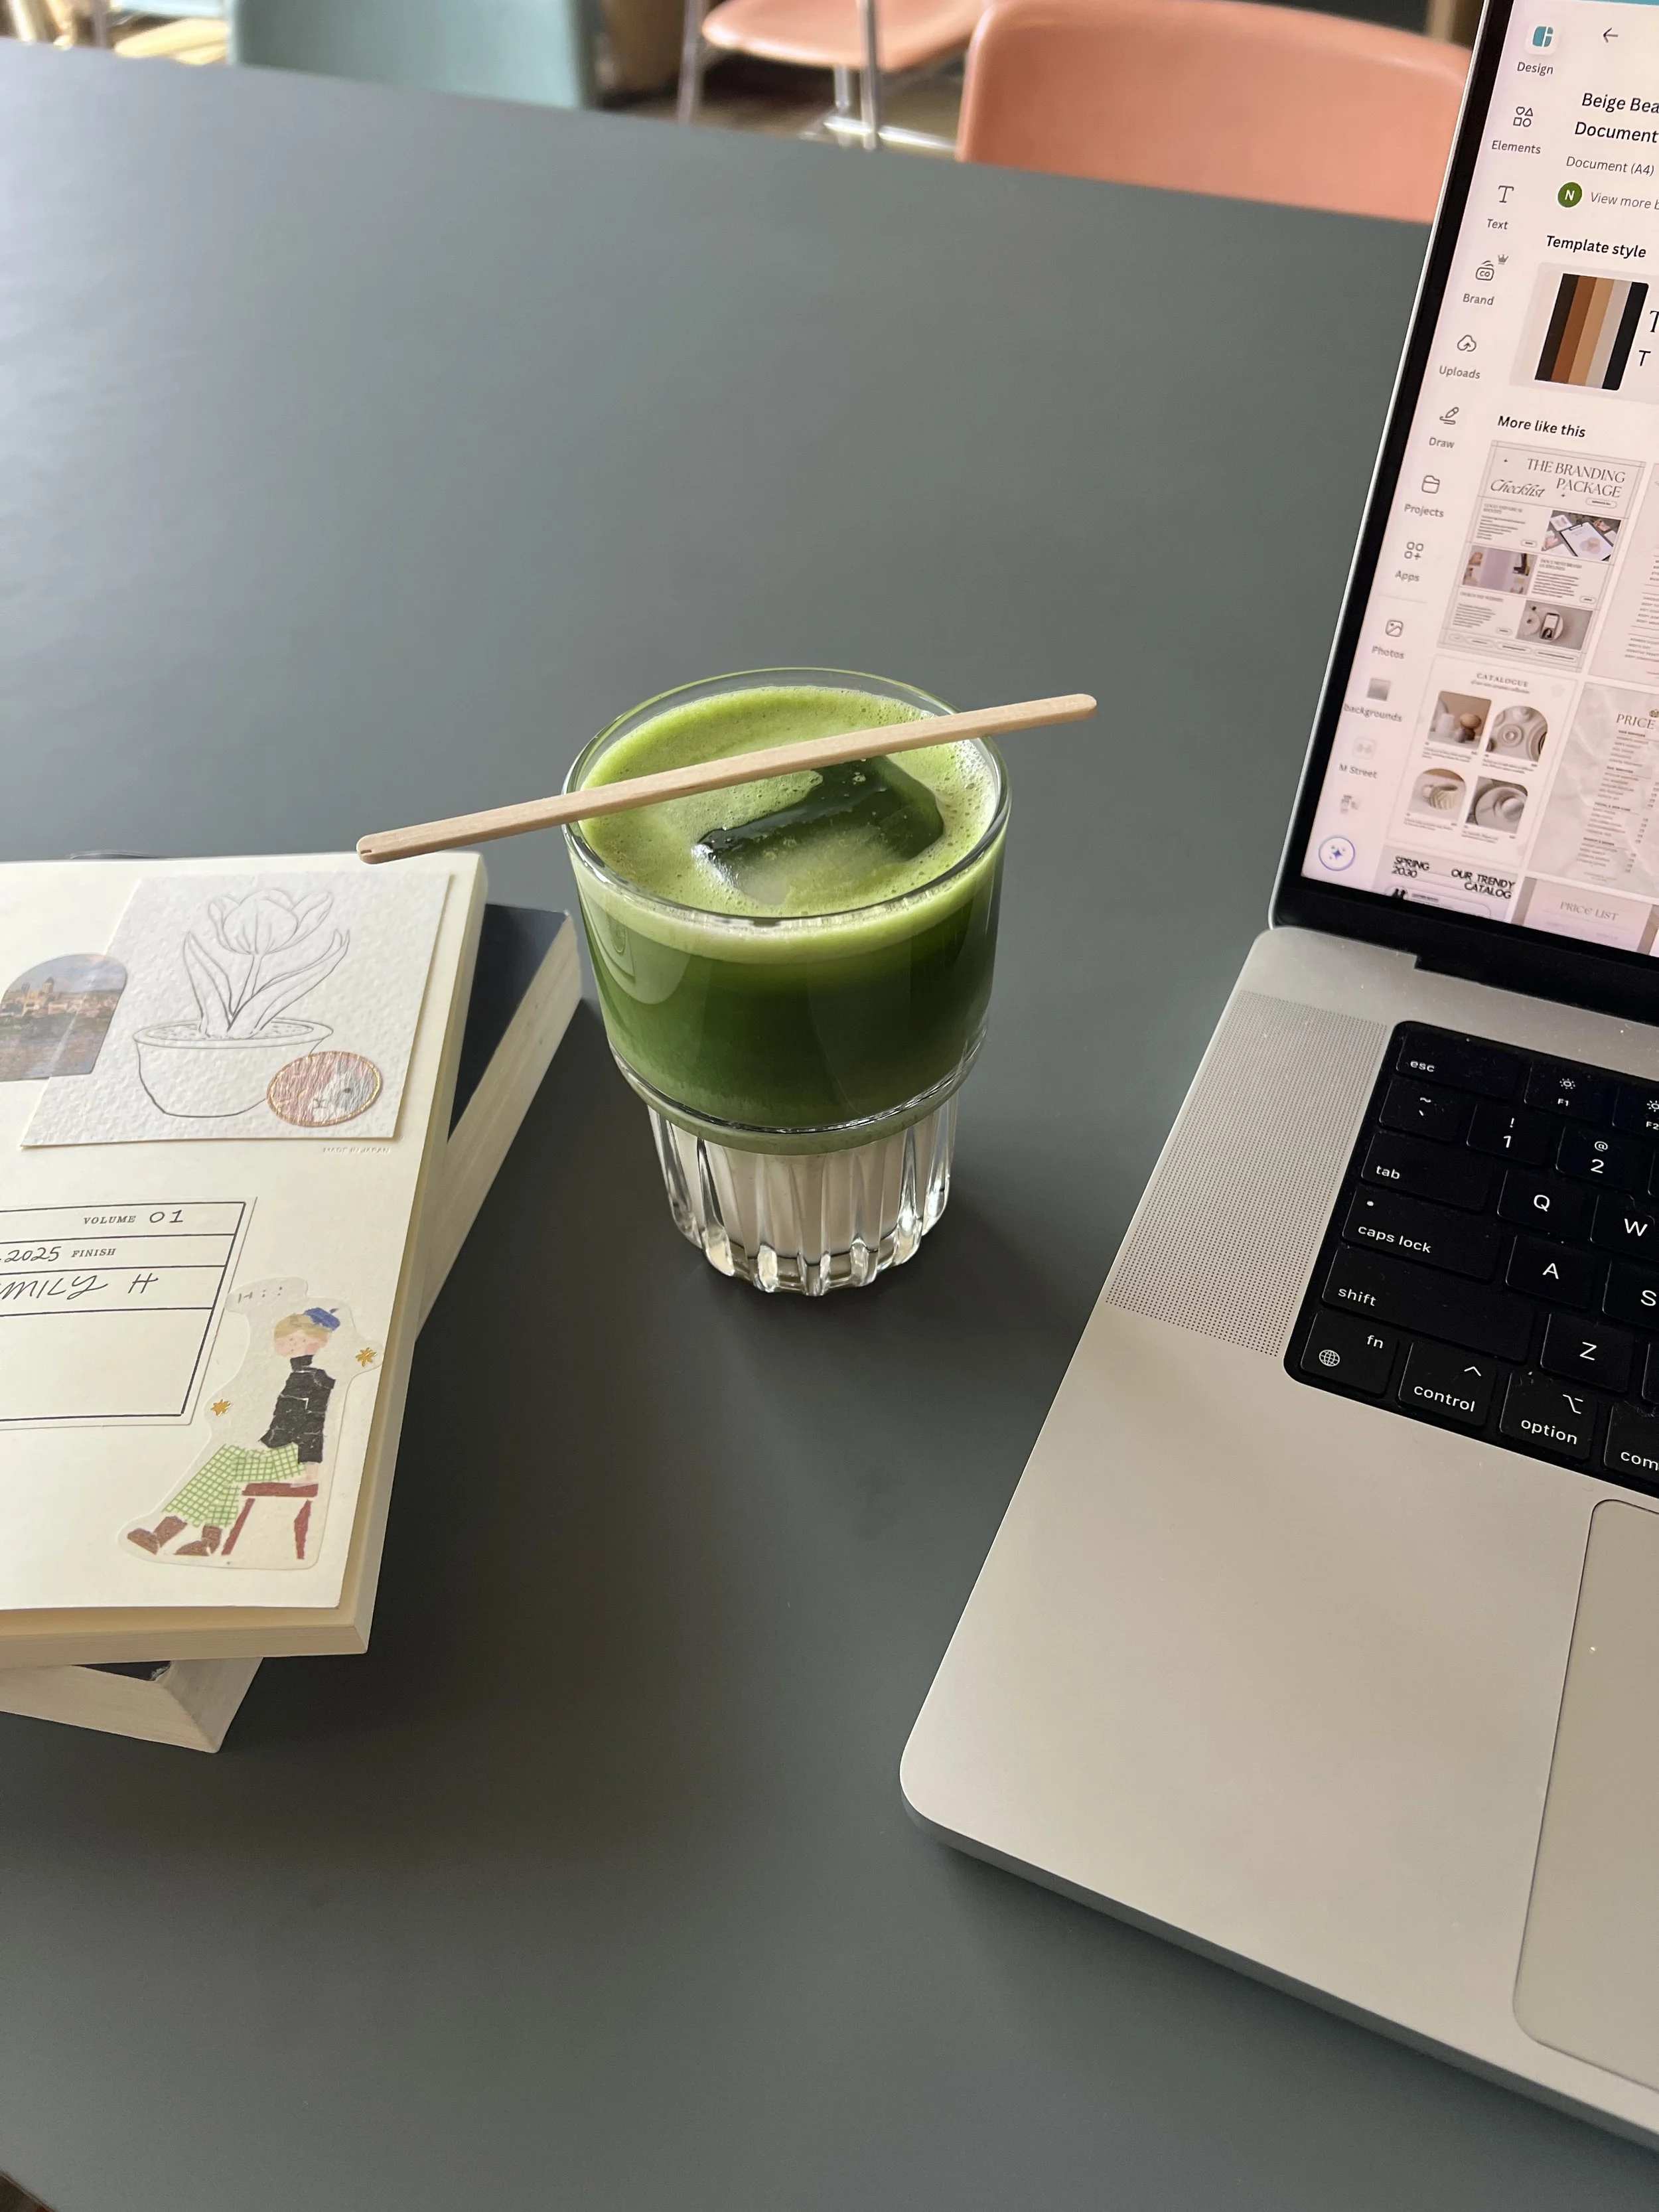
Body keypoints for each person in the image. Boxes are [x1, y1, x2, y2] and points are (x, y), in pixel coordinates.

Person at [127, 1308, 342, 1559]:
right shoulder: (287, 1374)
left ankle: (165, 1535)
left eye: (289, 1340)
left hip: (293, 1457)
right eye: (280, 1339)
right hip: (275, 1451)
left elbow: (315, 1423)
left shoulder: (318, 1379)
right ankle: (207, 1542)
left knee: (225, 1464)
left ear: (312, 1341)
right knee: (225, 1467)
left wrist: (312, 1468)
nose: (280, 1344)